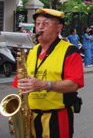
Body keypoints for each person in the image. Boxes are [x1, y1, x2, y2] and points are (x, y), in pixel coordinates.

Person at [13, 8, 84, 138]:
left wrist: (44, 85)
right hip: (31, 117)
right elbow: (20, 84)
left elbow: (74, 85)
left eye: (46, 24)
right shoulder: (30, 51)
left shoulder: (70, 51)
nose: (40, 28)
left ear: (59, 28)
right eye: (38, 23)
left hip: (57, 117)